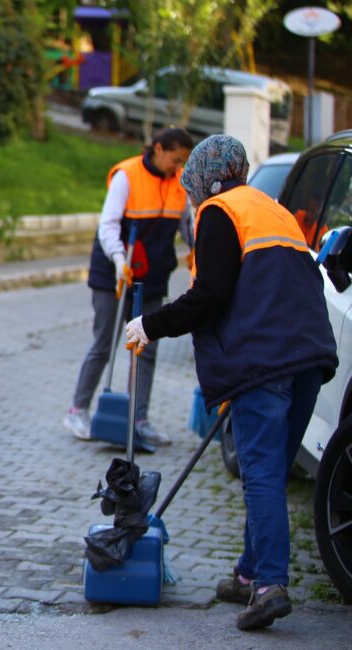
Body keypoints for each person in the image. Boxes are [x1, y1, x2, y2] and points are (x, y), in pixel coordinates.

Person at [124, 135, 337, 631]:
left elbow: (210, 294)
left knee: (260, 473)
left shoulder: (219, 212)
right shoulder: (273, 210)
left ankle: (269, 586)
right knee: (271, 470)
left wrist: (150, 324)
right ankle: (248, 573)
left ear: (204, 178)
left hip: (266, 360)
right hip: (309, 354)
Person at [63, 127, 195, 447]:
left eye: (183, 162)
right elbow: (108, 225)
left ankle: (139, 419)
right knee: (105, 342)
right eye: (175, 159)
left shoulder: (179, 183)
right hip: (115, 271)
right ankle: (78, 410)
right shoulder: (127, 175)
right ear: (158, 149)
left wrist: (197, 249)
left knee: (145, 346)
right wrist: (119, 260)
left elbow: (186, 225)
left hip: (152, 274)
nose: (178, 166)